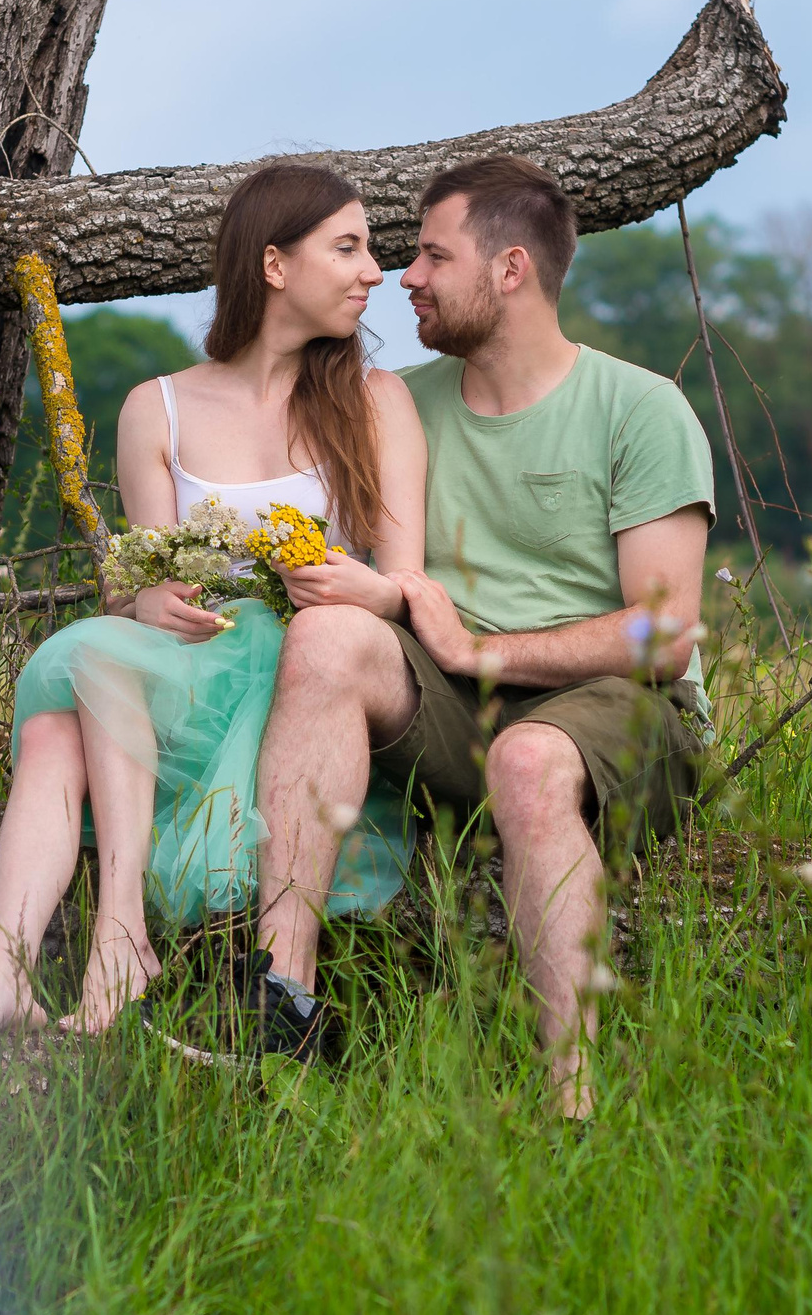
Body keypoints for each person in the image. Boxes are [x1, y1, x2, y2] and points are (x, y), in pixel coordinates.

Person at [247, 154, 714, 1116]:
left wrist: (481, 652)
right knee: (330, 638)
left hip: (617, 712)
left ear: (509, 270)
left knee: (533, 761)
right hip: (456, 708)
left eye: (430, 254)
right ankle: (282, 998)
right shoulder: (399, 405)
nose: (402, 276)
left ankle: (570, 1104)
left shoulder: (638, 408)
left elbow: (664, 634)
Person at [0, 162, 426, 1051]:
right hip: (190, 662)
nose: (374, 272)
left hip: (304, 671)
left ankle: (115, 941)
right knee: (86, 667)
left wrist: (359, 585)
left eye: (371, 249)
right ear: (275, 265)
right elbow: (138, 579)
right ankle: (6, 976)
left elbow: (406, 582)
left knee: (83, 671)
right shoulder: (156, 407)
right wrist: (149, 596)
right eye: (348, 247)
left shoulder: (376, 400)